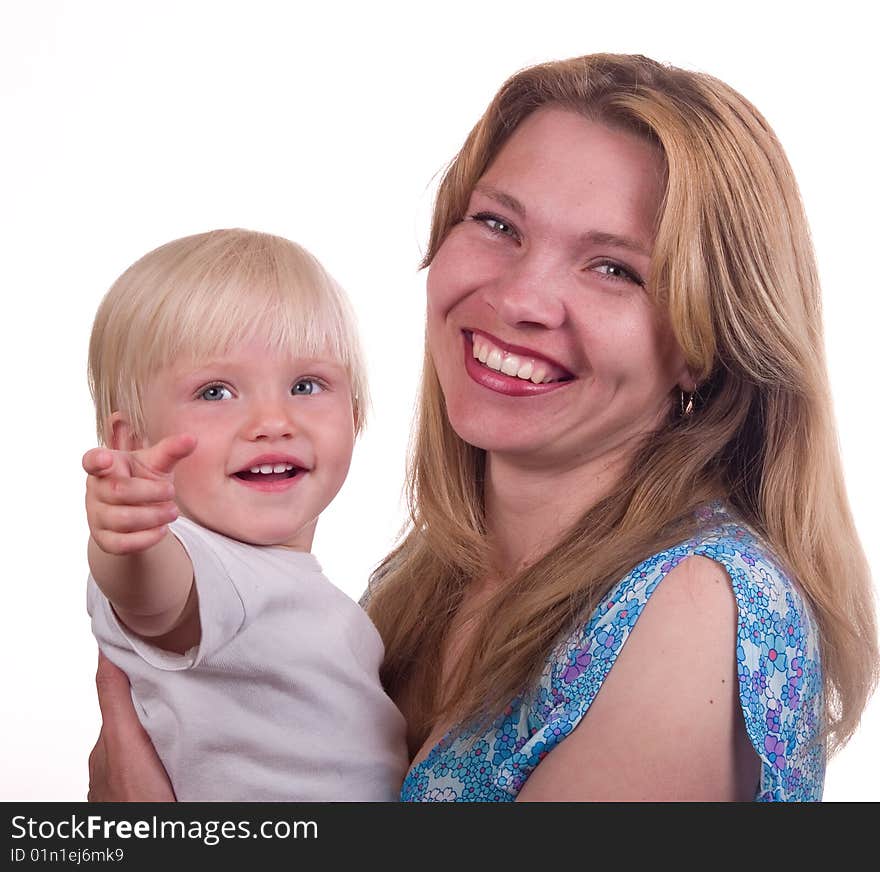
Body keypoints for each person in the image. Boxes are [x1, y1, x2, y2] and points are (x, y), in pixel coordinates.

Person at [87, 54, 878, 802]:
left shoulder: (693, 608)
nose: (520, 298)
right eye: (499, 225)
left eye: (615, 268)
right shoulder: (425, 581)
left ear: (705, 347)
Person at [83, 228, 408, 801]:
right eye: (215, 392)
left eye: (307, 384)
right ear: (132, 441)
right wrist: (128, 535)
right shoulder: (201, 560)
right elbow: (151, 596)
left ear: (356, 413)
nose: (272, 420)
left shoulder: (282, 581)